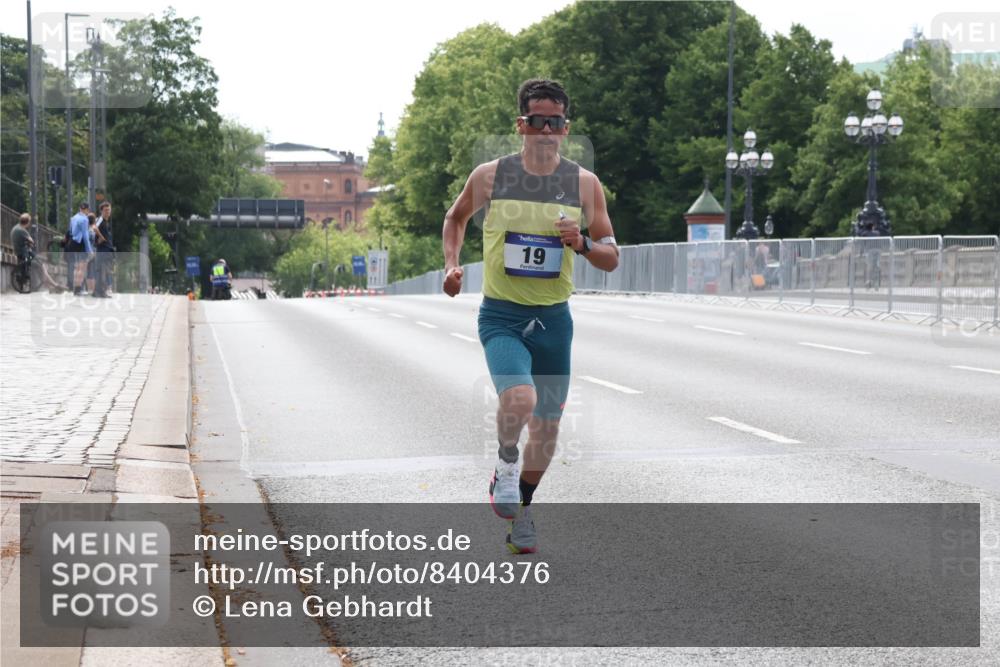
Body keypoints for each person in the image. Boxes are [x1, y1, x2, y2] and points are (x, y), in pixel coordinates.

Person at [442, 79, 619, 554]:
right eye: (536, 121)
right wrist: (452, 265)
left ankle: (521, 510)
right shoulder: (490, 176)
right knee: (518, 398)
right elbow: (455, 217)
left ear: (566, 128)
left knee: (547, 427)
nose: (545, 130)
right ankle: (503, 462)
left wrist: (581, 242)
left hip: (554, 321)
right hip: (502, 315)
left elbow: (610, 255)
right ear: (521, 125)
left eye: (554, 123)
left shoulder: (584, 184)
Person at [10, 213, 63, 291]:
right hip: (25, 253)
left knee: (40, 266)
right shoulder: (22, 230)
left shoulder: (15, 228)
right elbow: (31, 241)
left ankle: (50, 285)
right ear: (27, 222)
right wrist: (31, 243)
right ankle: (54, 285)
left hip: (18, 252)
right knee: (42, 266)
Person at [66, 202, 94, 295]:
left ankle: (75, 287)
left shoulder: (73, 218)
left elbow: (70, 231)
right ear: (87, 209)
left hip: (73, 243)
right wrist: (89, 250)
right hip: (81, 244)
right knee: (82, 268)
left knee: (77, 267)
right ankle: (78, 289)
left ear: (80, 208)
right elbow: (85, 236)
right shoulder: (85, 219)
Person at [94, 202, 115, 297]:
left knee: (105, 271)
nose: (108, 212)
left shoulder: (106, 222)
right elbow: (94, 227)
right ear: (101, 211)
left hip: (107, 250)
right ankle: (100, 291)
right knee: (102, 271)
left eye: (109, 210)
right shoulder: (100, 219)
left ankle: (100, 291)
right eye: (106, 210)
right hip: (103, 250)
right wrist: (101, 237)